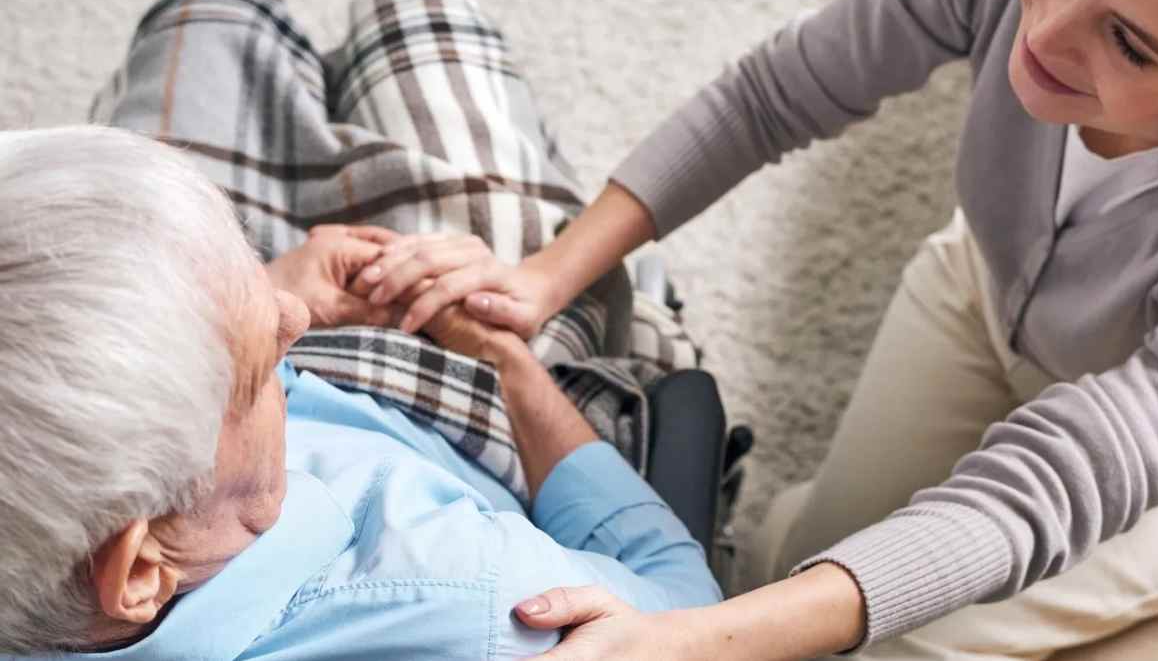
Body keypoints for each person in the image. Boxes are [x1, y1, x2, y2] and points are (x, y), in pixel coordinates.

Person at [368, 0, 1158, 658]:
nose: (1045, 30)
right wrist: (544, 275)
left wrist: (696, 640)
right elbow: (772, 97)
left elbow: (1043, 491)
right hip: (983, 285)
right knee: (791, 562)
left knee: (894, 643)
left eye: (1129, 44)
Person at [0, 126, 719, 658]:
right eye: (251, 380)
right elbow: (686, 602)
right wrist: (508, 363)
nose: (295, 317)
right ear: (141, 571)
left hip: (285, 360)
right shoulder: (475, 600)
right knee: (424, 16)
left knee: (209, 9)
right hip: (484, 416)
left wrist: (243, 296)